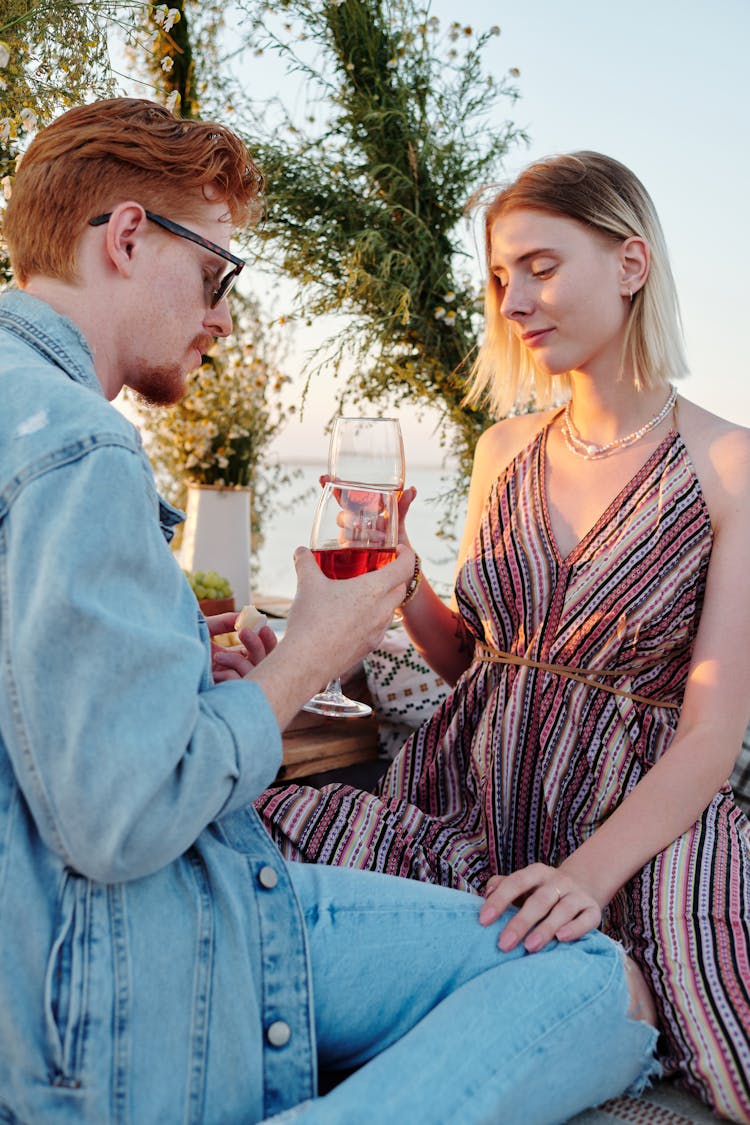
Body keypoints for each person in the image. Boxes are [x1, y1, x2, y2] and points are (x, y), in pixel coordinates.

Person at [0, 103, 660, 1124]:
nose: (224, 316)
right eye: (219, 275)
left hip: (90, 921)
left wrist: (178, 666)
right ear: (128, 237)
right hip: (118, 948)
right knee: (594, 986)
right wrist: (309, 652)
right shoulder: (80, 448)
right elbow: (119, 819)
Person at [258, 151, 750, 1122]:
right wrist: (403, 583)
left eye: (540, 265)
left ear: (631, 263)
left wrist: (583, 878)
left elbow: (712, 737)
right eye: (498, 277)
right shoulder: (502, 450)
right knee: (272, 829)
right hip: (474, 798)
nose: (513, 299)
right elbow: (479, 664)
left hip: (631, 831)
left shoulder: (729, 463)